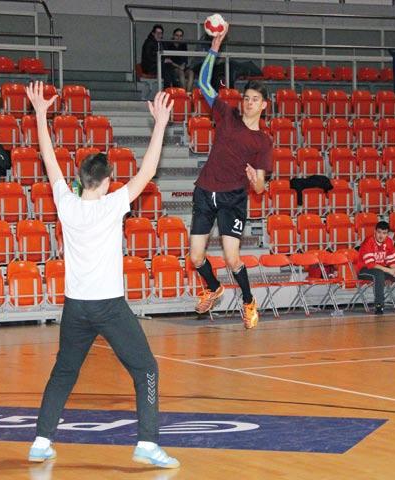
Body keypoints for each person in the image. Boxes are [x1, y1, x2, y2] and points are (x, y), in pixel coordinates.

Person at [25, 82, 180, 469]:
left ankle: (41, 441)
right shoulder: (113, 205)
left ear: (81, 179)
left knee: (64, 371)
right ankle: (146, 443)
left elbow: (48, 158)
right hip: (109, 307)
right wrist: (159, 123)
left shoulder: (66, 203)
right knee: (145, 368)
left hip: (75, 307)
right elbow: (148, 170)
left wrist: (41, 115)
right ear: (107, 180)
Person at [188, 21, 273, 329]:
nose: (248, 102)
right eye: (246, 97)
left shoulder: (263, 141)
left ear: (263, 106)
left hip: (232, 198)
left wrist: (255, 179)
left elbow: (261, 189)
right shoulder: (226, 114)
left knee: (232, 258)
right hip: (204, 191)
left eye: (254, 99)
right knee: (196, 258)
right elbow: (203, 84)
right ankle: (213, 288)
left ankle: (249, 302)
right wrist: (214, 47)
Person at [356, 221, 395, 315]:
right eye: (379, 232)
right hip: (365, 270)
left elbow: (391, 260)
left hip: (382, 268)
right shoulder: (368, 241)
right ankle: (379, 306)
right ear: (375, 232)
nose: (381, 235)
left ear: (387, 233)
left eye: (384, 233)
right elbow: (371, 264)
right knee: (379, 274)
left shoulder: (389, 241)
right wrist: (390, 271)